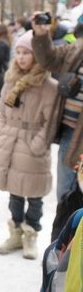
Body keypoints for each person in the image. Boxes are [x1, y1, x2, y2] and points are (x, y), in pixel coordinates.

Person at [0, 32, 57, 259]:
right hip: (9, 143)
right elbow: (1, 113)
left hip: (31, 148)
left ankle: (30, 235)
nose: (21, 57)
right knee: (15, 194)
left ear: (37, 55)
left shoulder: (49, 86)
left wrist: (37, 145)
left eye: (27, 52)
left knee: (34, 196)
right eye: (18, 52)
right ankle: (15, 233)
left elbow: (50, 123)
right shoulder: (10, 81)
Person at [32, 15, 83, 202]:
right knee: (66, 194)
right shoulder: (75, 49)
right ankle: (66, 229)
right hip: (71, 132)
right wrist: (41, 34)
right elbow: (48, 59)